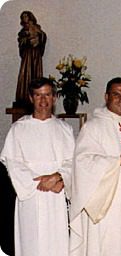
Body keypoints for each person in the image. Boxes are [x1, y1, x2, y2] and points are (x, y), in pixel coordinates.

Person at [69, 77, 121, 256]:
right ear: (106, 97)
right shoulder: (93, 127)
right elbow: (83, 163)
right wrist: (118, 161)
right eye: (116, 94)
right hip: (108, 206)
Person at [0, 77, 74, 256]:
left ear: (54, 98)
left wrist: (59, 178)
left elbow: (73, 162)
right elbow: (13, 163)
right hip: (30, 198)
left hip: (56, 197)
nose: (43, 100)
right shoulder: (19, 129)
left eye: (47, 95)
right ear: (31, 98)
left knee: (57, 245)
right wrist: (37, 184)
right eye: (38, 95)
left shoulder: (65, 129)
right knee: (31, 245)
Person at [16, 11, 47, 108]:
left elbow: (43, 37)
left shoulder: (38, 28)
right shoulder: (22, 32)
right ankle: (24, 95)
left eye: (26, 16)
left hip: (36, 55)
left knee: (35, 74)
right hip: (28, 55)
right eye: (23, 17)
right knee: (26, 74)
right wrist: (27, 38)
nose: (25, 18)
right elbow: (21, 42)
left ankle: (36, 94)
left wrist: (38, 37)